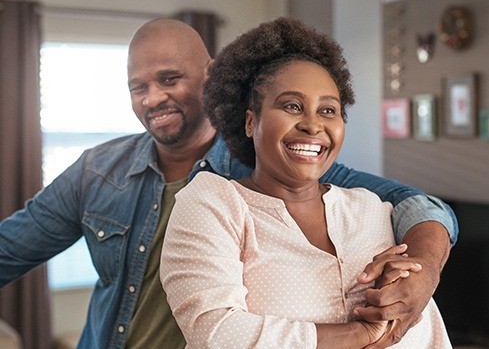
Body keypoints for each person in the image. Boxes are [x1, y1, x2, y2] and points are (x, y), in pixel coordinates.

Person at [0, 18, 455, 348]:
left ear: (210, 75)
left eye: (169, 79)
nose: (153, 97)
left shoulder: (278, 167)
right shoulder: (97, 171)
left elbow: (418, 206)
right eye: (138, 87)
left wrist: (426, 271)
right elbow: (9, 248)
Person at [160, 17, 452, 348]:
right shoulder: (213, 202)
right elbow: (215, 333)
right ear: (250, 121)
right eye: (292, 106)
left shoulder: (370, 207)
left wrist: (414, 276)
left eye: (328, 110)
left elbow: (425, 326)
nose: (312, 124)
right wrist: (358, 333)